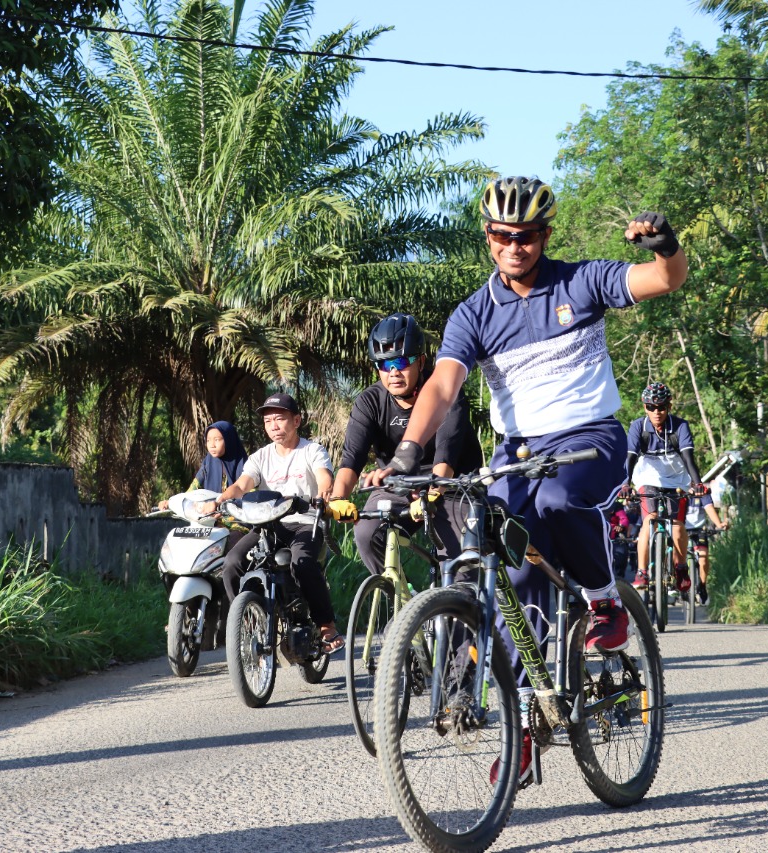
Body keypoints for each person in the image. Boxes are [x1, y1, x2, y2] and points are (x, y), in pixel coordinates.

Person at [381, 176, 688, 785]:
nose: (514, 246)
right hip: (519, 451)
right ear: (488, 238)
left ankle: (604, 599)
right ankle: (526, 722)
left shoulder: (582, 282)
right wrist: (408, 452)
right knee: (509, 563)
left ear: (544, 235)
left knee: (558, 499)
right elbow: (443, 385)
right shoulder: (474, 313)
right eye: (502, 236)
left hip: (590, 439)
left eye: (525, 236)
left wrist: (665, 246)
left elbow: (665, 279)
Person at [330, 313, 483, 576]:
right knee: (367, 535)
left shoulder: (446, 393)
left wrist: (432, 495)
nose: (393, 372)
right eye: (384, 364)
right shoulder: (370, 402)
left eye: (401, 362)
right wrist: (337, 498)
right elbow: (351, 458)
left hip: (452, 484)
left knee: (459, 566)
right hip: (399, 483)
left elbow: (446, 454)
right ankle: (398, 593)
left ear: (421, 361)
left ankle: (452, 598)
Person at [198, 393, 347, 653]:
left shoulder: (312, 451)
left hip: (304, 524)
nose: (273, 426)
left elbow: (324, 476)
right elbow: (242, 485)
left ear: (296, 421)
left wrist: (325, 491)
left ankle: (326, 625)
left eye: (280, 419)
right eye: (268, 421)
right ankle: (249, 623)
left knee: (302, 564)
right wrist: (221, 500)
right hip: (268, 526)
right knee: (232, 563)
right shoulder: (260, 457)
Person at [623, 382, 726, 593]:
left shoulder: (680, 426)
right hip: (648, 477)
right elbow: (630, 458)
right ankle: (642, 572)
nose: (656, 412)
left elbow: (688, 458)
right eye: (651, 407)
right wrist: (625, 484)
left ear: (669, 406)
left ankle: (680, 567)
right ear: (644, 407)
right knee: (649, 521)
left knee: (677, 525)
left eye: (661, 407)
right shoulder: (638, 427)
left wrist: (697, 484)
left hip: (677, 479)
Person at [156, 421, 248, 511]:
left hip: (238, 515)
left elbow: (248, 494)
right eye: (208, 440)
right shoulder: (208, 463)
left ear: (229, 440)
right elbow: (194, 487)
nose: (212, 445)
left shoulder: (245, 466)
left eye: (217, 440)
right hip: (209, 513)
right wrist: (172, 502)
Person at [683, 489, 726, 604]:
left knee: (703, 557)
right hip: (681, 529)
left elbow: (709, 508)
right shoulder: (679, 489)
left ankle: (702, 585)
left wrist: (719, 524)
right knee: (675, 552)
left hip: (699, 530)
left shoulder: (702, 491)